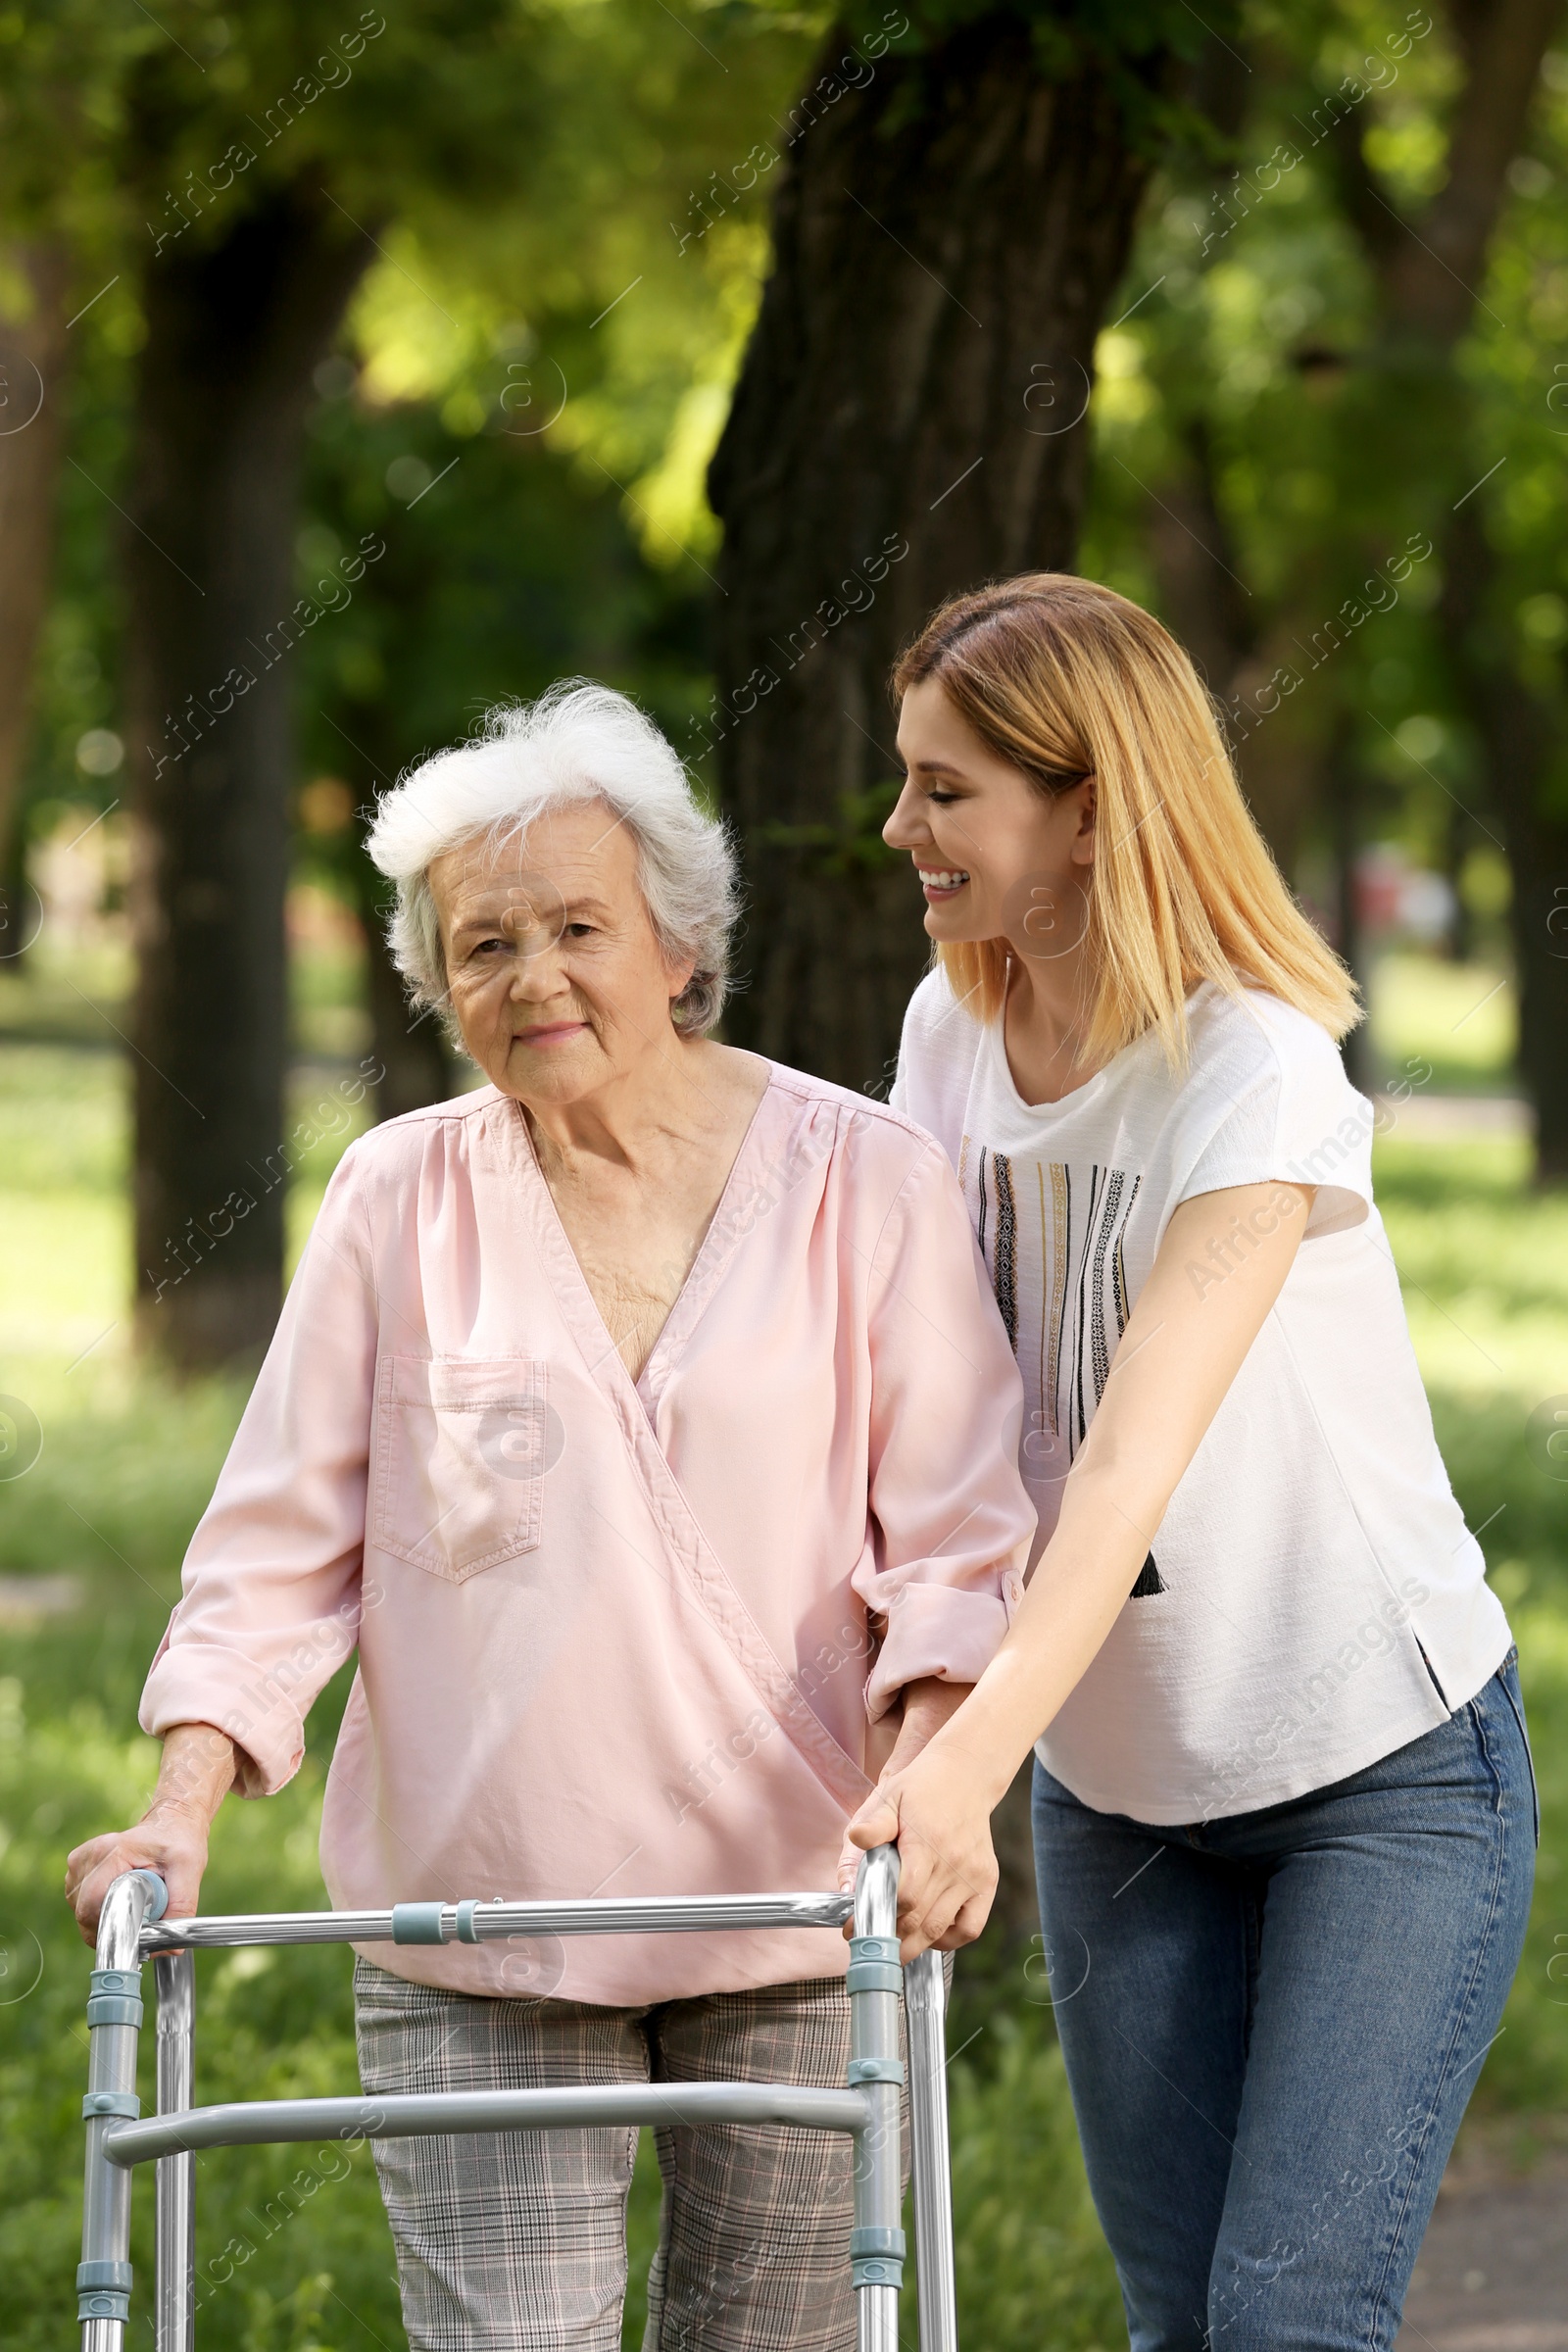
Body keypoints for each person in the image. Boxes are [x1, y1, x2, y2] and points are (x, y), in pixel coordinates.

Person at [67, 679, 1036, 2352]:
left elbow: (955, 1548)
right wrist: (179, 1814)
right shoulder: (398, 1196)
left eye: (577, 926)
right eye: (482, 947)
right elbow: (274, 1556)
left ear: (676, 940)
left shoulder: (868, 1178)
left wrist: (939, 1776)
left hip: (798, 1919)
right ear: (439, 985)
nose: (533, 980)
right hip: (482, 1923)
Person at [847, 575, 1534, 2352]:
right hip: (1123, 1787)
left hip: (1380, 1774)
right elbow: (918, 1417)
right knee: (1178, 2327)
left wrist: (966, 1768)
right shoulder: (950, 1038)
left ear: (1088, 808)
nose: (899, 824)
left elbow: (1125, 1470)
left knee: (1288, 2325)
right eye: (908, 779)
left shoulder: (1256, 1073)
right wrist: (924, 1726)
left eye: (946, 789)